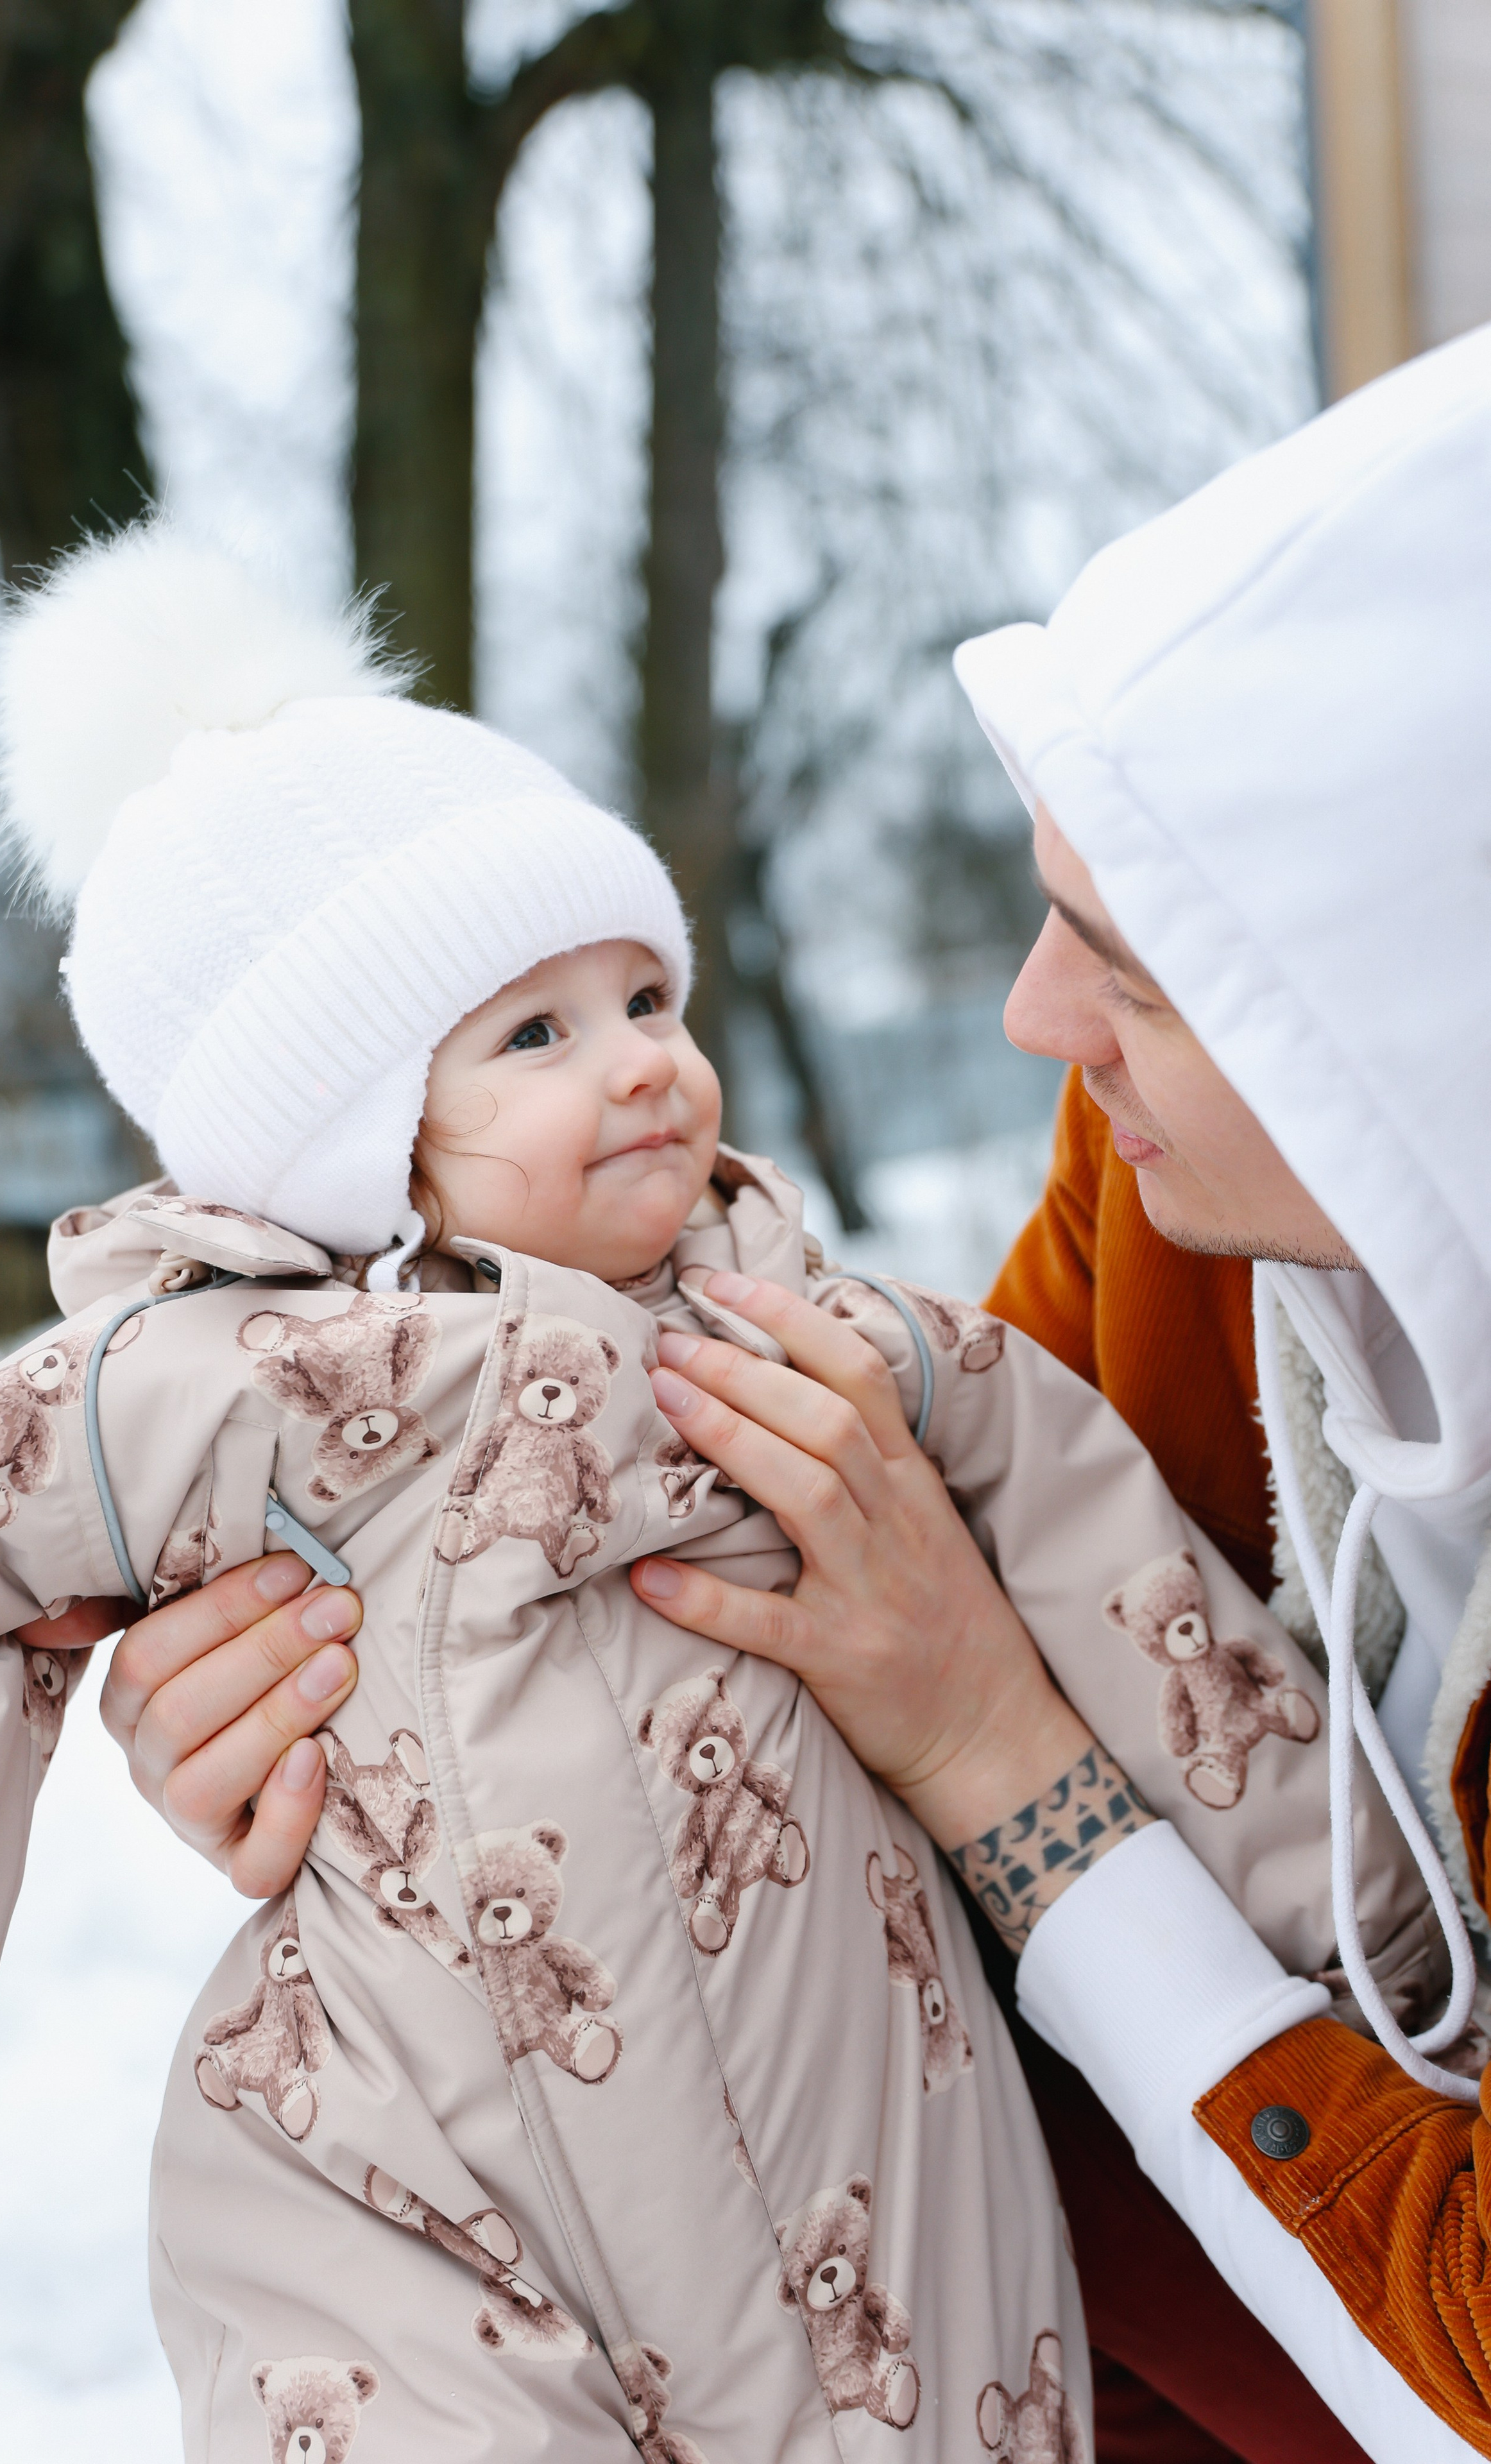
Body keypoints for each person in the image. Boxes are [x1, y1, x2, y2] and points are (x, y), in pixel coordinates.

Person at [0, 521, 1410, 2460]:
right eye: (536, 1033)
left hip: (887, 2197)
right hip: (418, 2218)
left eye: (648, 999)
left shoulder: (824, 1335)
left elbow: (1112, 1558)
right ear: (363, 1149)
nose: (647, 1066)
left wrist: (1350, 1930)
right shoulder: (217, 1385)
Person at [577, 324, 1491, 2456]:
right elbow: (806, 1598)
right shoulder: (1165, 1190)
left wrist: (1010, 1765)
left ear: (1417, 1055)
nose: (1027, 1014)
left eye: (1137, 971)